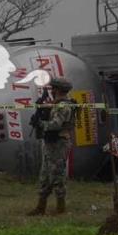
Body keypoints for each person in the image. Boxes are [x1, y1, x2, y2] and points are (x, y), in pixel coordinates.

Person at [27, 77, 76, 216]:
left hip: (59, 144)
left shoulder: (64, 106)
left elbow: (56, 125)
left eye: (53, 88)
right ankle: (40, 207)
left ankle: (61, 208)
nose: (52, 91)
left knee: (57, 175)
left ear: (58, 90)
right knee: (45, 176)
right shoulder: (56, 104)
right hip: (50, 144)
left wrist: (40, 123)